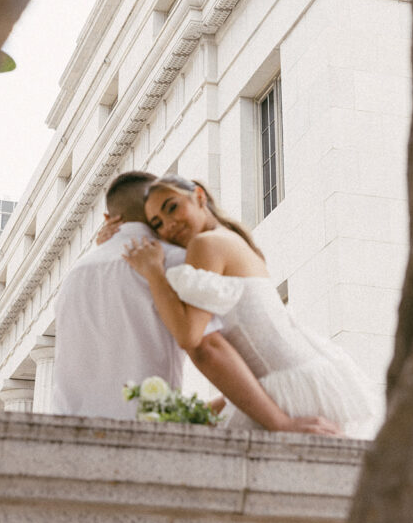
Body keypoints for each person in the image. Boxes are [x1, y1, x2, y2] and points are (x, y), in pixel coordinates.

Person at [52, 170, 300, 523]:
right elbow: (220, 350)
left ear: (109, 216)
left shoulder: (74, 277)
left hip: (73, 465)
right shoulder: (174, 260)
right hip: (152, 462)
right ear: (149, 217)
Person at [123, 174, 381, 438]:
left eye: (172, 207)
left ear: (199, 196)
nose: (169, 224)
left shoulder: (206, 244)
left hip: (290, 394)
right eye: (158, 224)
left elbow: (191, 336)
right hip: (305, 383)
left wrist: (153, 271)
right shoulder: (231, 240)